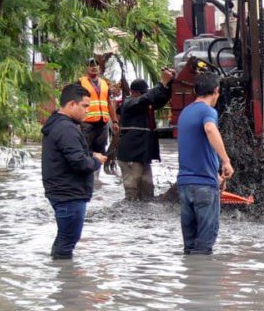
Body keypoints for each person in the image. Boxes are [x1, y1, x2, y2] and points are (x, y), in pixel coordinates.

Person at [41, 84, 108, 259]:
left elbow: (69, 154)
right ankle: (67, 283)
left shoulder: (59, 124)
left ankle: (62, 278)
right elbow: (79, 164)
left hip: (62, 192)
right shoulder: (67, 129)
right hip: (69, 194)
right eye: (85, 106)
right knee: (67, 243)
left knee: (64, 240)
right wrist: (95, 160)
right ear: (72, 104)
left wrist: (89, 154)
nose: (87, 111)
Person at [176, 72, 234, 254]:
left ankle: (191, 279)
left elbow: (196, 150)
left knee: (190, 246)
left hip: (185, 186)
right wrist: (226, 160)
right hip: (203, 188)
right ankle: (203, 280)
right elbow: (210, 129)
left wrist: (216, 175)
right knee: (204, 246)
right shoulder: (208, 112)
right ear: (216, 91)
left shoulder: (185, 112)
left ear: (196, 90)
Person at [117, 69, 174, 201]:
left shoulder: (145, 104)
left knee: (147, 190)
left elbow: (159, 99)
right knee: (132, 188)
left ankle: (144, 217)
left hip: (143, 154)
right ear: (133, 92)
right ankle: (130, 215)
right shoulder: (128, 103)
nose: (145, 95)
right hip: (131, 154)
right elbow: (147, 97)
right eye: (142, 93)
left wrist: (168, 84)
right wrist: (161, 82)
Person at [79, 57, 119, 159]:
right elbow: (75, 102)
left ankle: (96, 173)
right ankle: (87, 173)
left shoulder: (104, 83)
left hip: (102, 124)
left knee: (100, 151)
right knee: (85, 150)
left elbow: (109, 103)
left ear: (99, 67)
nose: (94, 67)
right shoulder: (80, 82)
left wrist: (114, 121)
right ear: (86, 68)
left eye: (95, 65)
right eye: (91, 65)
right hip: (87, 123)